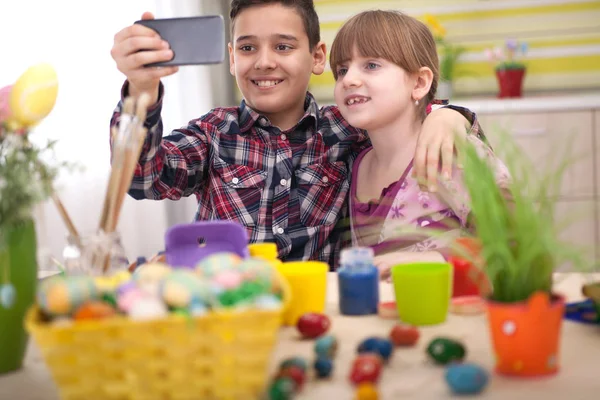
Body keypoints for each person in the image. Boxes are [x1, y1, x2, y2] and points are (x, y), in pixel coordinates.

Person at [109, 0, 487, 266]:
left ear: (318, 57)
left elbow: (406, 109)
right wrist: (141, 91)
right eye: (247, 47)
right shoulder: (213, 133)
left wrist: (450, 114)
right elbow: (143, 178)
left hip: (320, 315)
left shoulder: (347, 128)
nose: (264, 61)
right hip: (231, 313)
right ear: (232, 57)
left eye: (283, 46)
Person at [329, 10, 511, 279]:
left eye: (371, 65)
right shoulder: (355, 161)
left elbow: (512, 241)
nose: (349, 79)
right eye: (342, 70)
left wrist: (432, 259)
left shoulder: (451, 150)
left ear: (420, 82)